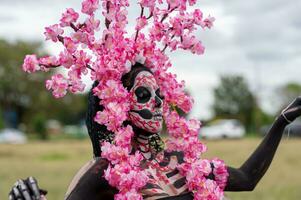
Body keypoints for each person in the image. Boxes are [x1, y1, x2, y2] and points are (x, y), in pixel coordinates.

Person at [9, 63, 301, 200]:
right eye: (145, 95)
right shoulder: (107, 172)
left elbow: (247, 179)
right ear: (118, 106)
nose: (159, 102)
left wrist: (280, 123)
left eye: (160, 94)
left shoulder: (181, 160)